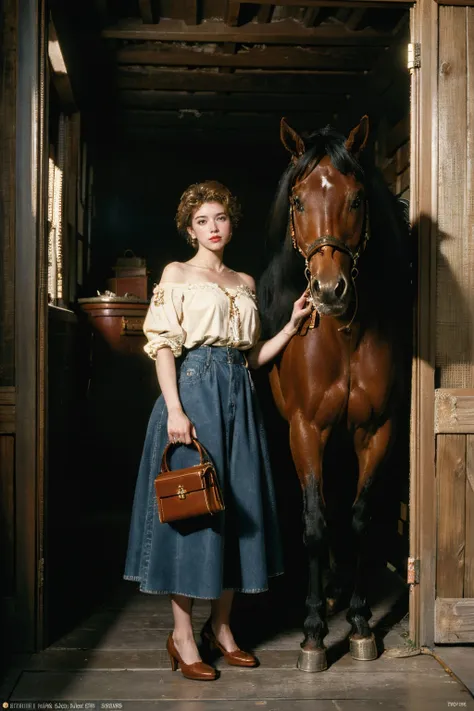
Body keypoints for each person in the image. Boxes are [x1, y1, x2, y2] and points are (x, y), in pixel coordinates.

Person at [124, 180, 311, 681]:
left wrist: (289, 328)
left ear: (231, 224)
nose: (213, 228)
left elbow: (251, 358)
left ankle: (221, 629)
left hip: (239, 402)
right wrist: (175, 410)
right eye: (202, 221)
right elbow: (164, 345)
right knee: (193, 514)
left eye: (220, 219)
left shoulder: (245, 282)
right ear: (190, 229)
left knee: (235, 513)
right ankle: (183, 636)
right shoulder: (177, 274)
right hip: (194, 395)